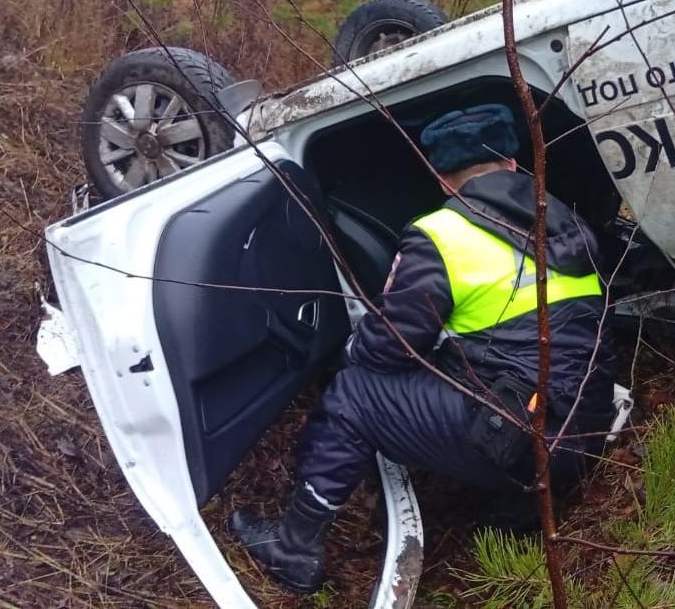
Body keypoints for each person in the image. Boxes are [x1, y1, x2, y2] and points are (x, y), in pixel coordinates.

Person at [229, 103, 616, 594]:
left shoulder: (444, 233)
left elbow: (385, 352)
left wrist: (356, 346)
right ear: (514, 164)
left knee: (354, 395)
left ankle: (294, 548)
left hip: (523, 442)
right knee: (505, 370)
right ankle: (516, 511)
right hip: (586, 433)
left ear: (439, 178)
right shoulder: (561, 219)